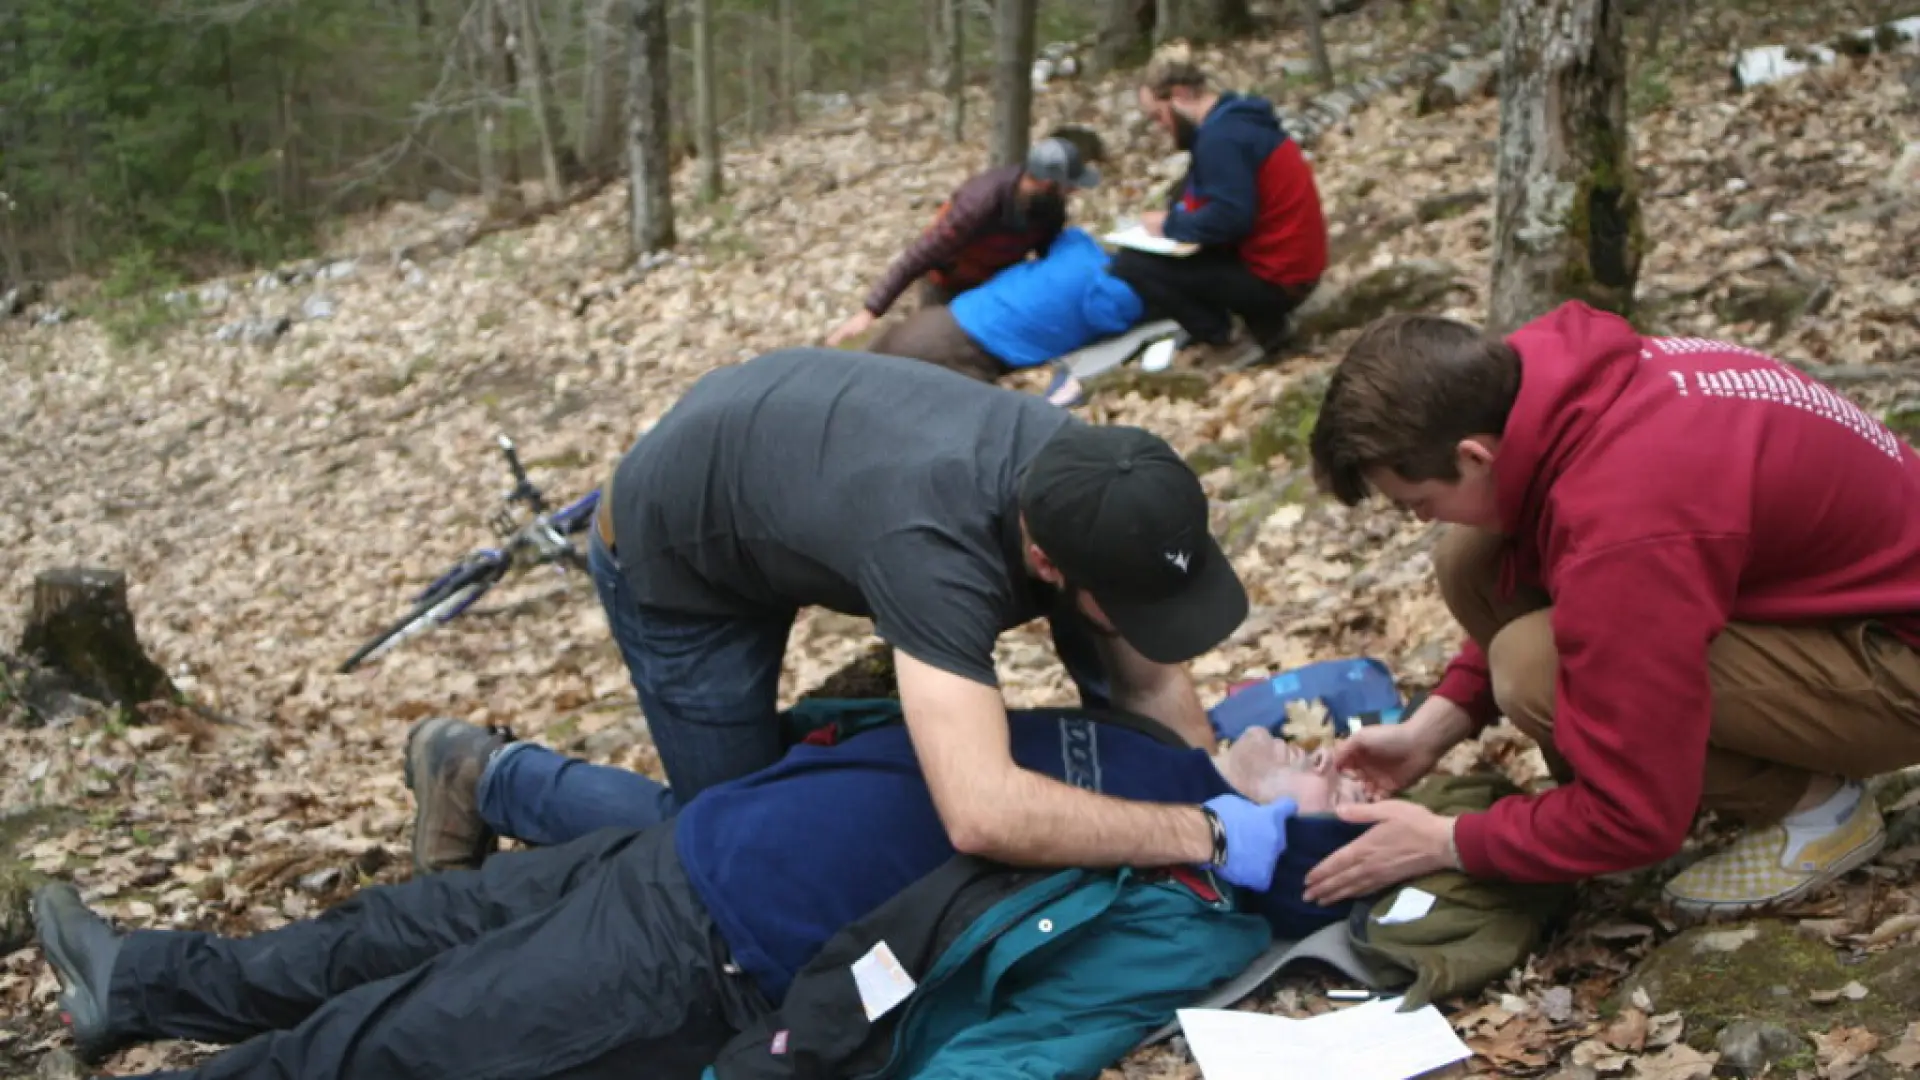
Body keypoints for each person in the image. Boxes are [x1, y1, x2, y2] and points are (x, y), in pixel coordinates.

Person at [32, 707, 1367, 1080]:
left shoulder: (1185, 890)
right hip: (682, 850)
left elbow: (1018, 1043)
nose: (1329, 752)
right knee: (383, 932)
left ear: (1288, 853)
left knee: (395, 1046)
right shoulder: (1165, 749)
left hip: (714, 954)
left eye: (1340, 791)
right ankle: (140, 982)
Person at [408, 349, 1259, 888]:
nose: (1153, 622)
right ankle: (484, 775)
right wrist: (1204, 831)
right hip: (677, 546)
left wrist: (1221, 799)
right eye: (1137, 603)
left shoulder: (1100, 488)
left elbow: (1147, 688)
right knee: (732, 851)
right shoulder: (935, 548)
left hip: (786, 460)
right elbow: (982, 812)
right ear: (1045, 563)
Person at [1298, 301, 1920, 916]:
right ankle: (1615, 765)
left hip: (1899, 664)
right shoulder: (1557, 383)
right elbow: (1578, 562)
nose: (1420, 519)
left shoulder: (1627, 524)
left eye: (1418, 502)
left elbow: (1637, 821)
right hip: (1843, 600)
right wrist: (1430, 730)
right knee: (1471, 559)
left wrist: (1446, 842)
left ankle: (1815, 806)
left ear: (1473, 456)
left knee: (1535, 671)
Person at [1109, 55, 1327, 358]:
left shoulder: (1221, 139)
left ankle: (1229, 337)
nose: (1162, 128)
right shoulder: (1235, 120)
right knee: (1177, 206)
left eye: (1159, 117)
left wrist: (1168, 226)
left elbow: (1231, 218)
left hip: (1279, 280)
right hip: (1294, 267)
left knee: (1131, 264)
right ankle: (1239, 322)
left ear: (1180, 95)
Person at [822, 135, 1100, 348]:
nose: (1073, 191)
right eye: (1068, 184)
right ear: (1046, 183)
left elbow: (1047, 254)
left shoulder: (1051, 206)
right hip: (947, 282)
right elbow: (921, 254)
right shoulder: (980, 202)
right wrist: (870, 311)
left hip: (994, 283)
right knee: (931, 345)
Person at [864, 225, 1150, 388]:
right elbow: (1117, 317)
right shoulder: (1112, 295)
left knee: (868, 372)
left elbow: (1065, 235)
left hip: (945, 318)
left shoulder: (1079, 248)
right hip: (967, 350)